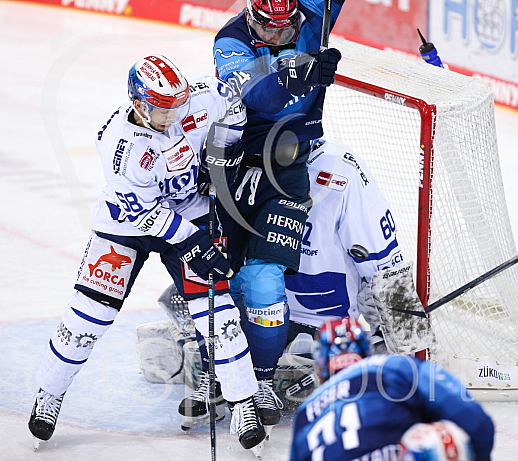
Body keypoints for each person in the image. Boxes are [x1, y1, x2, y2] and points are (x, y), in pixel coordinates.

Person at [27, 54, 268, 452]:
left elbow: (234, 108)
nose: (174, 115)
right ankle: (48, 393)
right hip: (128, 222)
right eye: (163, 109)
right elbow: (141, 214)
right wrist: (192, 241)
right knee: (90, 314)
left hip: (189, 207)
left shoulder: (200, 97)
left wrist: (221, 157)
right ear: (138, 104)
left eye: (179, 105)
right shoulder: (120, 144)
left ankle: (243, 403)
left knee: (218, 311)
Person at [207, 0, 346, 429]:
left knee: (265, 280)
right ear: (251, 17)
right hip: (233, 165)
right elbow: (259, 97)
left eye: (285, 32)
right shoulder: (230, 40)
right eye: (265, 29)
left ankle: (261, 381)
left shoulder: (313, 15)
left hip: (286, 169)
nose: (273, 38)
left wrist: (311, 66)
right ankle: (214, 364)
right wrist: (302, 72)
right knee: (218, 276)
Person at [289, 317, 495, 461]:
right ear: (365, 350)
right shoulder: (393, 366)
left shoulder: (305, 413)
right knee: (439, 439)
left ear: (320, 367)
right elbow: (474, 419)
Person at [283, 138, 404, 348]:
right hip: (264, 326)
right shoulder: (237, 151)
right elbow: (381, 258)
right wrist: (408, 336)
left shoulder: (341, 169)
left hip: (318, 333)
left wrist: (406, 332)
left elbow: (381, 259)